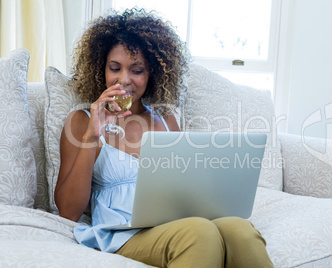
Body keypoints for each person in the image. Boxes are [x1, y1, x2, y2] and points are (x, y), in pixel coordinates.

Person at [55, 8, 273, 268]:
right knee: (198, 232)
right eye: (115, 68)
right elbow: (69, 211)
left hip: (177, 223)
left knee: (240, 229)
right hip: (122, 232)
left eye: (136, 70)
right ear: (101, 68)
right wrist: (93, 134)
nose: (124, 80)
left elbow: (188, 186)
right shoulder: (81, 121)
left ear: (152, 74)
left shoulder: (166, 120)